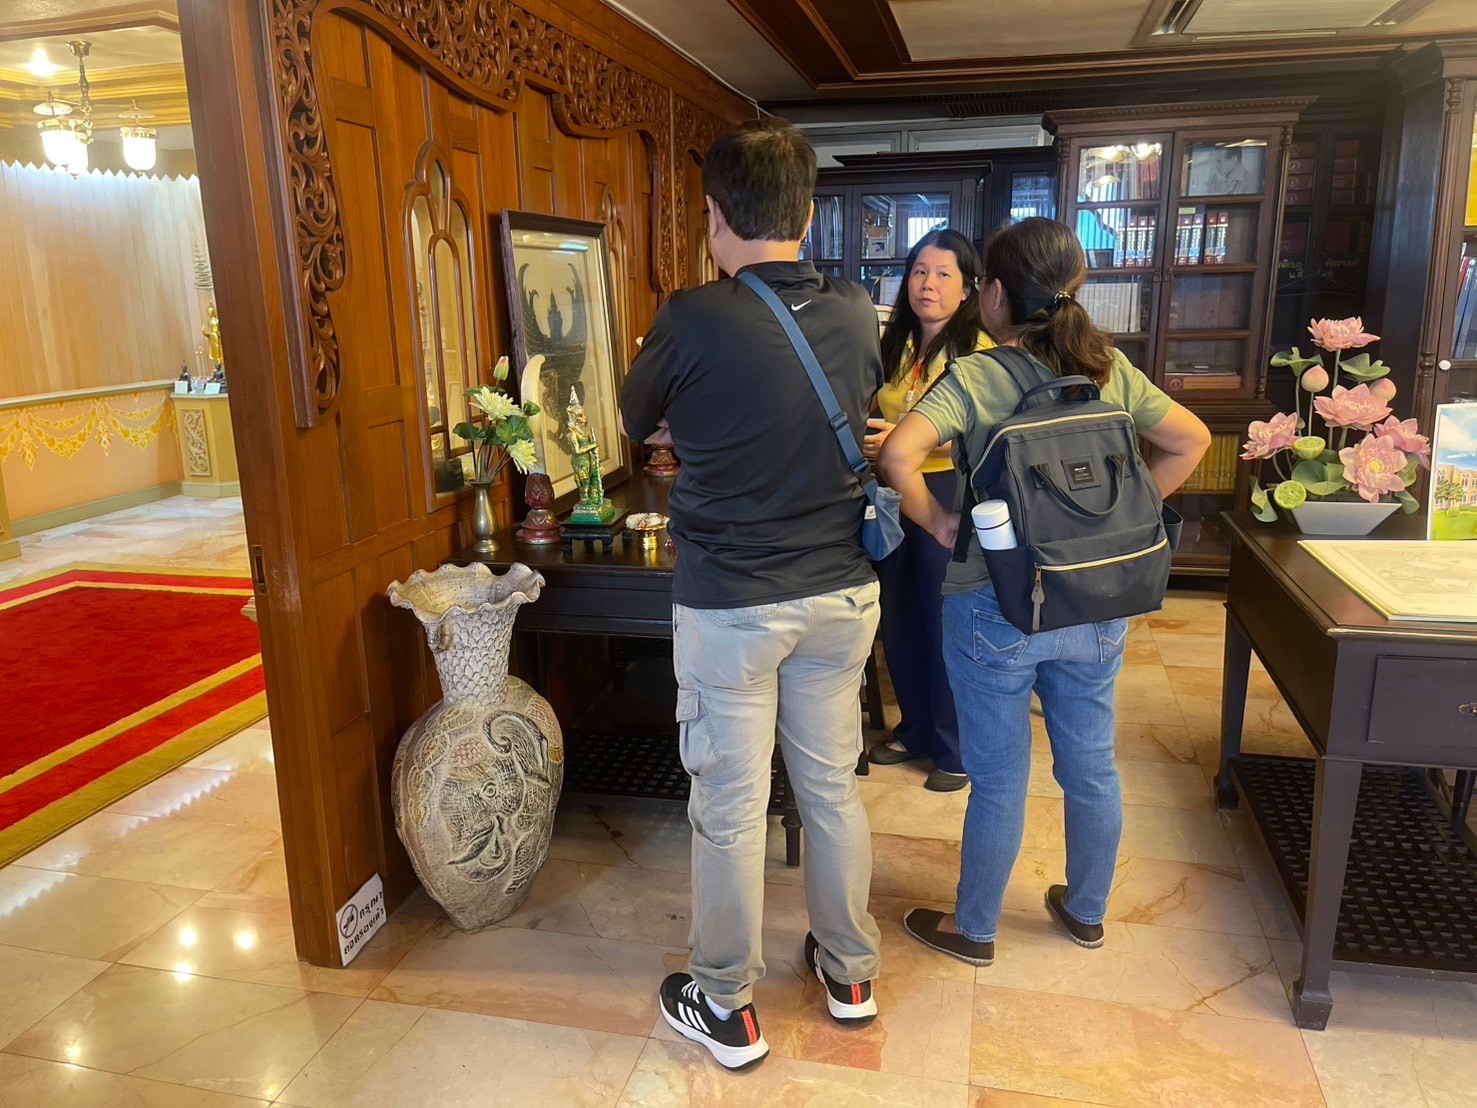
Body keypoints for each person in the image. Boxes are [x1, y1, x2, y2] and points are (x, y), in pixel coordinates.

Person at [620, 119, 885, 1071]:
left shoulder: (691, 316)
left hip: (731, 601)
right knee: (830, 789)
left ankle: (725, 1001)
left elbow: (636, 418)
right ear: (807, 216)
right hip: (840, 595)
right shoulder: (855, 308)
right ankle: (850, 973)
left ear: (712, 216)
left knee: (730, 805)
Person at [878, 217, 1210, 965]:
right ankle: (1086, 911)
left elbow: (899, 454)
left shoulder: (978, 375)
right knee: (1090, 764)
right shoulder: (1107, 368)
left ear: (993, 293)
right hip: (1095, 599)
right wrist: (1124, 524)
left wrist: (938, 523)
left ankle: (975, 930)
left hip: (992, 599)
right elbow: (1190, 439)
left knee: (999, 777)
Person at [864, 228, 992, 792]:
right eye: (919, 271)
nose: (927, 285)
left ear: (967, 289)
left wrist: (901, 439)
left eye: (943, 275)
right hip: (891, 493)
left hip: (947, 490)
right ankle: (914, 728)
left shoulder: (979, 351)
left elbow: (982, 427)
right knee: (898, 616)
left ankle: (954, 748)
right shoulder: (893, 343)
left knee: (945, 622)